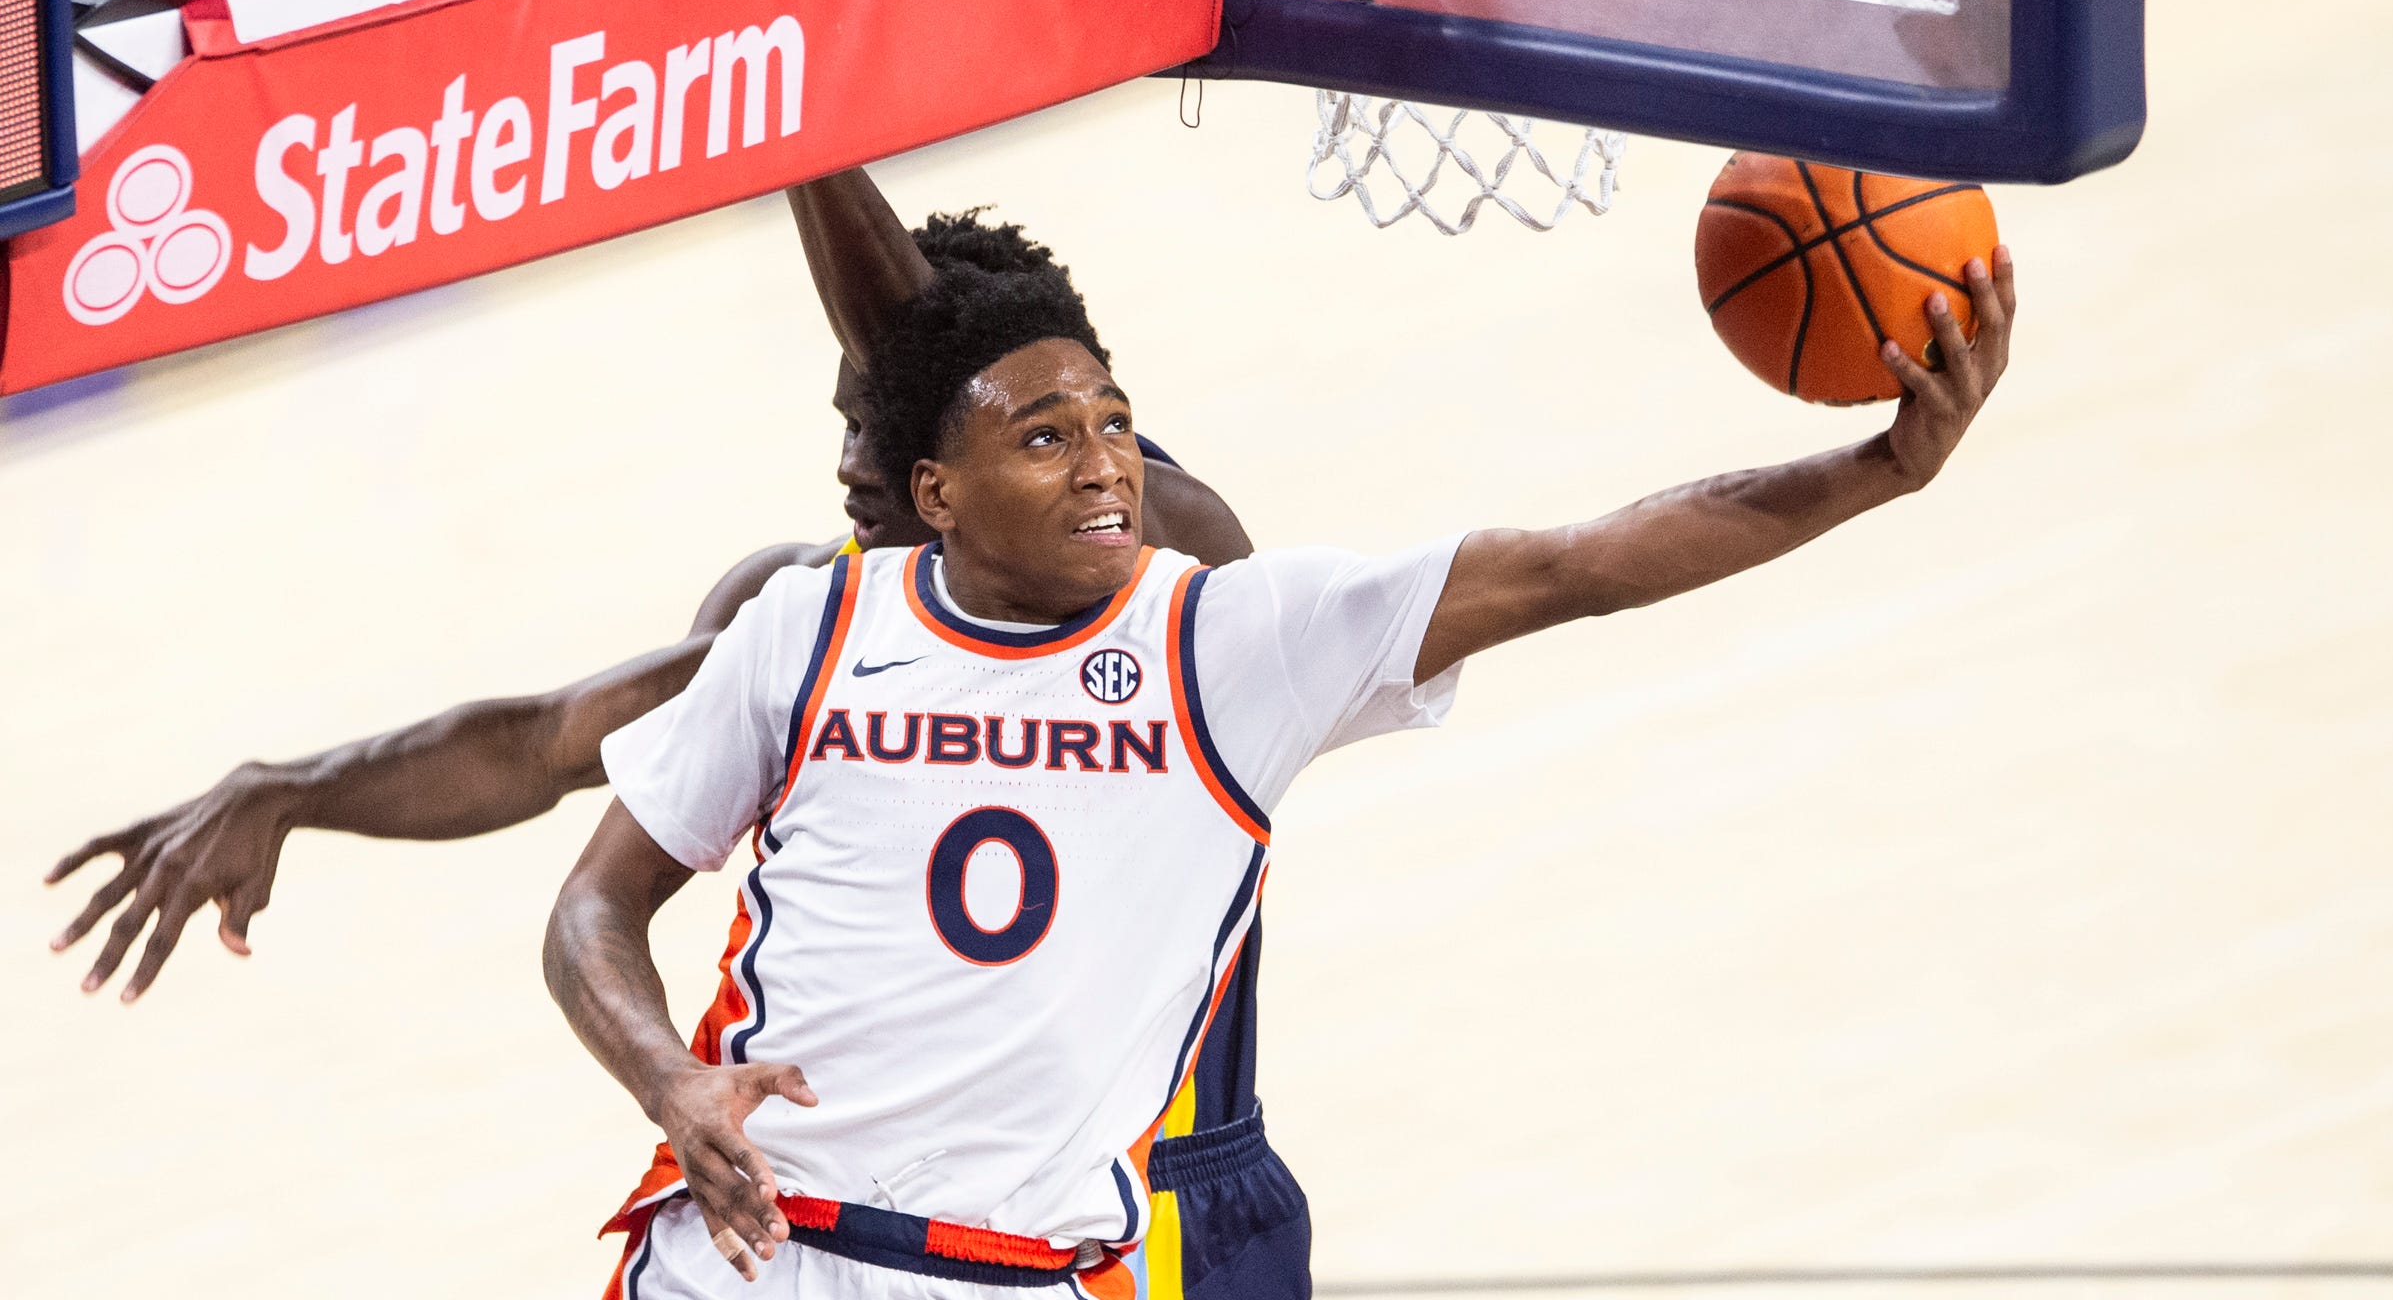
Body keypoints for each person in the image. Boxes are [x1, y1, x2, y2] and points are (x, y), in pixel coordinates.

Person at [546, 245, 2019, 1298]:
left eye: (1113, 425)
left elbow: (1588, 566)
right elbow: (593, 914)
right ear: (936, 492)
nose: (1103, 464)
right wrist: (667, 1076)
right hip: (750, 1252)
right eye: (1045, 437)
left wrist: (1880, 470)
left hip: (1026, 1270)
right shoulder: (806, 626)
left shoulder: (1233, 643)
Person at [46, 171, 1303, 1300]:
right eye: (841, 420)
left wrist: (809, 114)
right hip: (857, 1225)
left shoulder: (1161, 560)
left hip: (1152, 1199)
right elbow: (546, 740)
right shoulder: (811, 610)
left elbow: (918, 337)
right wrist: (293, 789)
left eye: (878, 420)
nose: (847, 461)